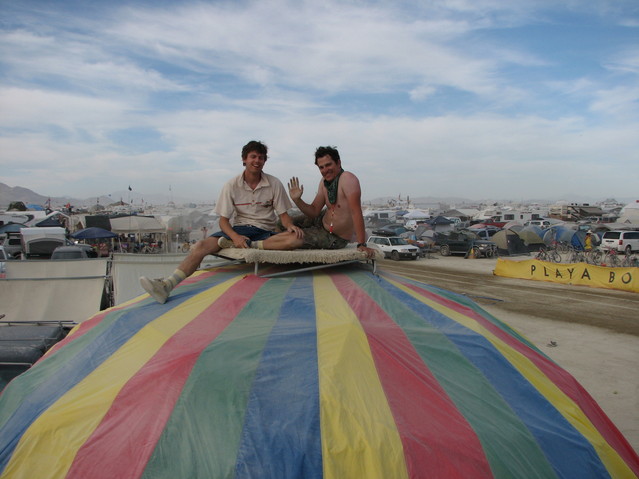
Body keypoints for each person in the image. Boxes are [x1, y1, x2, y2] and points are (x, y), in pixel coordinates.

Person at [140, 140, 302, 303]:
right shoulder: (231, 185)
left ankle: (252, 245)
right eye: (253, 157)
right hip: (240, 230)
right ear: (244, 159)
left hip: (266, 233)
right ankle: (167, 285)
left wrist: (290, 226)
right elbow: (223, 221)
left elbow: (284, 216)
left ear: (265, 161)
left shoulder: (274, 183)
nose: (257, 161)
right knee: (201, 246)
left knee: (297, 239)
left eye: (261, 158)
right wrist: (236, 237)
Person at [283, 146, 376, 258]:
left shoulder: (347, 179)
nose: (325, 170)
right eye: (321, 167)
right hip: (321, 220)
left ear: (338, 163)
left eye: (328, 165)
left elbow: (356, 212)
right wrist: (297, 200)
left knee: (290, 238)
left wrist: (362, 244)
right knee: (283, 223)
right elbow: (314, 211)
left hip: (334, 237)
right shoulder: (324, 182)